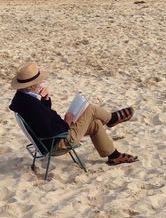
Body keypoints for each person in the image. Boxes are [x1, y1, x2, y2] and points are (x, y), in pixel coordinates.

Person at [9, 62, 138, 165]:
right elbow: (48, 129)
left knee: (96, 124)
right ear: (32, 85)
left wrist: (45, 99)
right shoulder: (30, 104)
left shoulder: (23, 98)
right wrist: (67, 123)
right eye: (38, 82)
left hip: (50, 140)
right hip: (59, 142)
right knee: (90, 109)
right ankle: (111, 119)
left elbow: (42, 118)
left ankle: (114, 157)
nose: (41, 83)